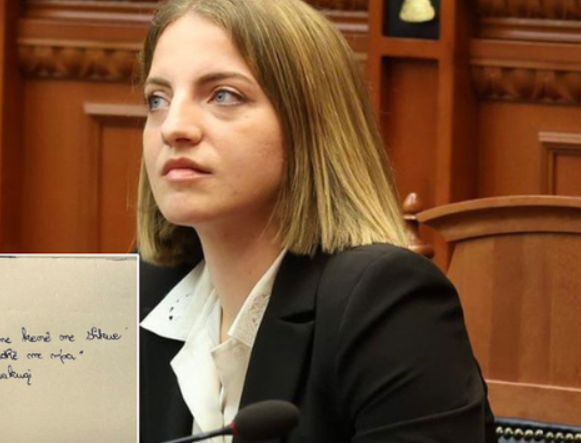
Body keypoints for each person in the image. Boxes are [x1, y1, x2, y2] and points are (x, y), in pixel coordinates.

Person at [136, 0, 496, 442]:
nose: (173, 127)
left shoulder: (386, 305)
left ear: (309, 125)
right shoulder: (147, 290)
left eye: (223, 95)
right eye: (157, 100)